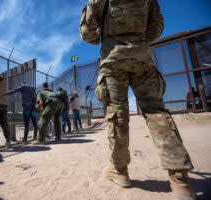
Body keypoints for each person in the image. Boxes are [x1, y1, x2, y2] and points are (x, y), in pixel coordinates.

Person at [80, 1, 196, 200]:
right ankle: (180, 180)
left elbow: (87, 34)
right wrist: (137, 38)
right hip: (142, 58)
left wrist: (106, 35)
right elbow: (155, 28)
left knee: (117, 115)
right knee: (157, 111)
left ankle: (120, 171)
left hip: (113, 60)